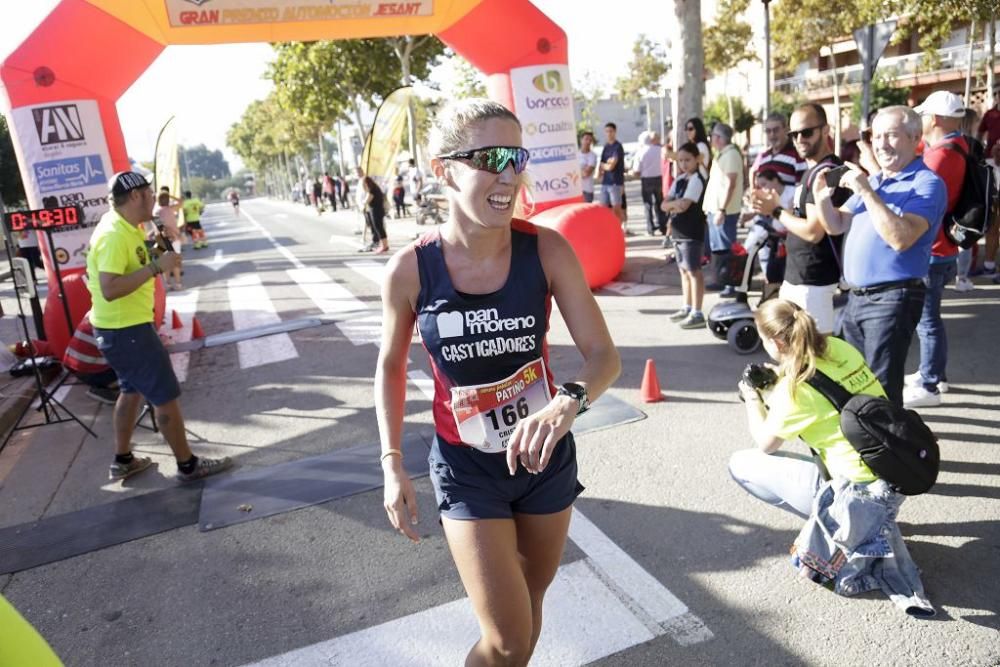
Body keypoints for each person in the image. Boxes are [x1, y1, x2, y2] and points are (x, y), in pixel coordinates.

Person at [376, 99, 620, 666]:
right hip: (468, 467)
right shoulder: (412, 268)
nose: (508, 174)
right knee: (509, 639)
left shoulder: (547, 249)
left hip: (544, 458)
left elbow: (603, 356)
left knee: (528, 612)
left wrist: (567, 404)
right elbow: (389, 364)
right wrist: (392, 462)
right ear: (445, 170)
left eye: (517, 157)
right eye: (489, 158)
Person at [729, 298, 933, 617]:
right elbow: (824, 390)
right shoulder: (839, 347)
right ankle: (865, 525)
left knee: (741, 465)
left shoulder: (793, 391)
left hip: (858, 492)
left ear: (776, 341)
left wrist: (752, 398)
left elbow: (765, 442)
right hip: (891, 470)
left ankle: (839, 524)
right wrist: (780, 376)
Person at [87, 172, 233, 482]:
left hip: (121, 330)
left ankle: (123, 459)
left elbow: (132, 266)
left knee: (130, 391)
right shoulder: (114, 234)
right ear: (137, 196)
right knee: (165, 396)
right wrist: (156, 266)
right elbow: (110, 288)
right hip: (127, 331)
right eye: (150, 192)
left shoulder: (126, 228)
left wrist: (156, 252)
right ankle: (188, 465)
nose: (155, 197)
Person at [813, 105, 947, 405]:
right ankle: (867, 445)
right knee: (852, 378)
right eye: (877, 136)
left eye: (892, 136)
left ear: (915, 138)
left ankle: (889, 450)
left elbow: (901, 238)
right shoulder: (877, 181)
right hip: (857, 298)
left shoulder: (926, 183)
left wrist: (868, 193)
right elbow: (835, 225)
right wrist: (822, 197)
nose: (881, 144)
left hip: (892, 297)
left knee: (880, 389)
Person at [751, 103, 845, 334]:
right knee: (791, 351)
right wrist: (774, 205)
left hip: (815, 280)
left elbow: (814, 231)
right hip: (798, 275)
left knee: (816, 358)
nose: (799, 139)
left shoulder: (829, 172)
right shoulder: (811, 171)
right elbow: (802, 219)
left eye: (806, 132)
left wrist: (775, 211)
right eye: (794, 134)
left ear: (825, 130)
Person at [904, 91, 967, 408]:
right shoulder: (959, 147)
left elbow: (917, 193)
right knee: (932, 320)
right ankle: (934, 374)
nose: (922, 121)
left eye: (925, 115)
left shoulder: (940, 157)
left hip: (934, 249)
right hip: (945, 247)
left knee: (927, 322)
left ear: (937, 119)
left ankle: (929, 384)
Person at [661, 142, 708, 329]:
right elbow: (665, 203)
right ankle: (687, 306)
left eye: (687, 160)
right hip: (678, 230)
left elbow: (685, 205)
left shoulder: (697, 180)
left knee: (693, 270)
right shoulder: (680, 180)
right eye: (680, 160)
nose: (683, 164)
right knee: (683, 270)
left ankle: (697, 311)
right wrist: (674, 204)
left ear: (696, 159)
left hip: (691, 230)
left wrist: (674, 204)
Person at [703, 123, 745, 295]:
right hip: (716, 209)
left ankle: (731, 283)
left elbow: (730, 184)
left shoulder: (731, 155)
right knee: (718, 248)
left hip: (724, 210)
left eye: (713, 135)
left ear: (719, 138)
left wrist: (722, 209)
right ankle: (721, 279)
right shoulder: (722, 155)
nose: (711, 138)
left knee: (726, 247)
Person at [746, 167, 792, 292]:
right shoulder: (766, 197)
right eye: (760, 186)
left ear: (775, 180)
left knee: (785, 275)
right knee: (772, 274)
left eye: (764, 184)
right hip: (776, 240)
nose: (763, 189)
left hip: (791, 240)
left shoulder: (793, 192)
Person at [749, 112, 806, 188]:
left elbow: (802, 191)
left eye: (776, 130)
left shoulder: (798, 156)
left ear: (786, 129)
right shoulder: (763, 156)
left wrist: (779, 190)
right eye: (768, 131)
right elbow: (753, 173)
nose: (772, 135)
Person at [632, 131, 668, 236]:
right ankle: (662, 226)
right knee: (660, 203)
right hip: (659, 178)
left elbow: (636, 170)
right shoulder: (660, 150)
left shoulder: (641, 152)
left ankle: (650, 228)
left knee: (648, 205)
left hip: (646, 179)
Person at [598, 122, 627, 231]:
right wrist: (606, 165)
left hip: (615, 182)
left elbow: (611, 166)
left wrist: (607, 165)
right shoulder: (606, 147)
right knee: (604, 208)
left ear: (615, 132)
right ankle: (607, 229)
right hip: (605, 182)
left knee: (616, 208)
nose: (609, 133)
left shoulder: (617, 147)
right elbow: (602, 164)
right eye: (607, 131)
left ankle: (619, 230)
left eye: (611, 131)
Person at [154, 191, 184, 290]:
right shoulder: (171, 209)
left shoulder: (156, 213)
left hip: (161, 240)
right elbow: (181, 202)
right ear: (168, 200)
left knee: (165, 263)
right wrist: (171, 195)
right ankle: (178, 283)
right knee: (176, 262)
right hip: (175, 238)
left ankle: (167, 283)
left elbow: (159, 227)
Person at [362, 176, 389, 254]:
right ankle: (383, 245)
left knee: (379, 228)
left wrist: (363, 201)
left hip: (376, 211)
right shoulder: (375, 188)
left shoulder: (372, 190)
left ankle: (384, 246)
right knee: (378, 228)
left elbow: (367, 200)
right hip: (377, 211)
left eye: (364, 185)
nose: (364, 186)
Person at [578, 130, 597, 203]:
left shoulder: (592, 156)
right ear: (581, 140)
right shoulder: (576, 154)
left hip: (587, 190)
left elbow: (586, 173)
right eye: (586, 139)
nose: (588, 142)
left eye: (590, 140)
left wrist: (576, 172)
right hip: (576, 191)